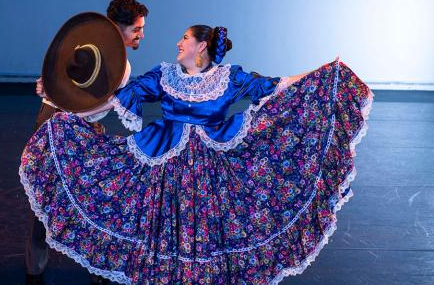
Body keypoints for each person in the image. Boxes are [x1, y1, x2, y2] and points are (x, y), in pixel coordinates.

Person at [20, 24, 373, 284]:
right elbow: (113, 100)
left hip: (212, 172)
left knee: (214, 230)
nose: (178, 42)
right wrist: (59, 99)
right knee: (156, 226)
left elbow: (275, 85)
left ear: (201, 45)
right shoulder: (162, 76)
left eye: (185, 38)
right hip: (165, 165)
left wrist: (325, 70)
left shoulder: (230, 78)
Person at [25, 0, 148, 285]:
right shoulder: (111, 62)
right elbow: (86, 103)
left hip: (63, 120)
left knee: (62, 198)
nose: (141, 35)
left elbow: (69, 91)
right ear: (118, 29)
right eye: (137, 29)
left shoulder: (96, 53)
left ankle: (57, 267)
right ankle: (90, 270)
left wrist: (49, 90)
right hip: (65, 124)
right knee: (65, 196)